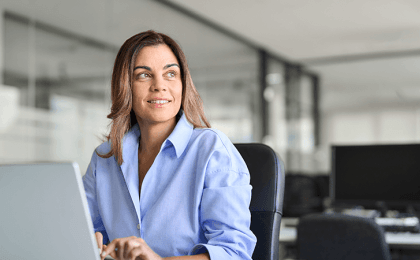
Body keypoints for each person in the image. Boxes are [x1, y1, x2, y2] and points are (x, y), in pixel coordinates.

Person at [82, 30, 256, 260]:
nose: (159, 85)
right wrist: (91, 246)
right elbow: (89, 234)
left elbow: (234, 253)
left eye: (171, 74)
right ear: (125, 86)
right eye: (144, 75)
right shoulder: (104, 158)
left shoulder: (212, 150)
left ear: (183, 83)